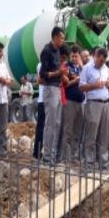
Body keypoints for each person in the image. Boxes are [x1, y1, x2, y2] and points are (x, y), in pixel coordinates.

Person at [39, 27, 67, 164]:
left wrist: (62, 74)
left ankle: (53, 155)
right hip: (50, 88)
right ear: (55, 37)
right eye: (61, 38)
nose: (63, 40)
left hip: (58, 88)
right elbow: (43, 74)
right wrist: (58, 73)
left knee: (57, 123)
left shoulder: (57, 51)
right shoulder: (47, 51)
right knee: (50, 123)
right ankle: (47, 156)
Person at [80, 48, 109, 170]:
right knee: (91, 134)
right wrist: (94, 85)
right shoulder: (87, 68)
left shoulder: (105, 69)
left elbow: (108, 82)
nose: (101, 63)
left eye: (104, 61)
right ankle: (89, 163)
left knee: (104, 135)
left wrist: (108, 83)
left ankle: (103, 163)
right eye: (100, 61)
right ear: (95, 56)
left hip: (106, 104)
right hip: (93, 104)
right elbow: (81, 87)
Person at [60, 45, 84, 163]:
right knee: (68, 130)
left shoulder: (82, 68)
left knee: (77, 131)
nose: (74, 58)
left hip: (81, 102)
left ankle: (75, 156)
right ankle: (66, 156)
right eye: (73, 56)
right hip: (70, 101)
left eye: (76, 56)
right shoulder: (66, 67)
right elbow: (63, 85)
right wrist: (74, 81)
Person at [33, 62, 45, 159]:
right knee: (41, 128)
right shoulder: (41, 65)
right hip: (44, 101)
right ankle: (37, 153)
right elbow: (40, 80)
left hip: (53, 101)